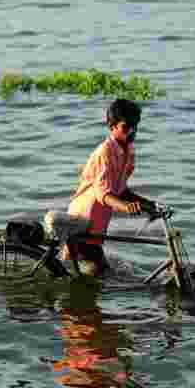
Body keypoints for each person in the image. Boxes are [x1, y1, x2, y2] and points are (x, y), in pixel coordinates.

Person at [63, 98, 154, 276]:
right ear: (112, 127)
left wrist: (149, 205)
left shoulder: (128, 151)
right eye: (126, 127)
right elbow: (103, 194)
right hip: (83, 220)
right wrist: (126, 207)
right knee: (96, 275)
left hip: (98, 223)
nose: (133, 131)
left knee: (85, 273)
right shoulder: (104, 151)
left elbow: (120, 191)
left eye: (135, 126)